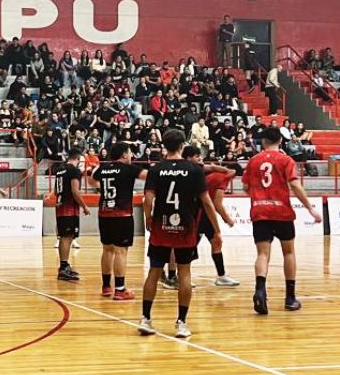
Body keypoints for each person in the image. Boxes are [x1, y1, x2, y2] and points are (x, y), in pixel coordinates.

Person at [138, 129, 222, 338]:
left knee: (154, 271)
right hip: (185, 227)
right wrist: (217, 230)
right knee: (185, 273)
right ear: (183, 146)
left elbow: (148, 199)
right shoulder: (194, 169)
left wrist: (148, 218)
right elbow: (207, 202)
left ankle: (146, 319)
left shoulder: (156, 169)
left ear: (164, 146)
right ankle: (181, 323)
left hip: (161, 226)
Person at [243, 127, 322, 315]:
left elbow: (246, 186)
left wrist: (258, 197)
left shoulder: (253, 161)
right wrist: (310, 208)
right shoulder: (286, 160)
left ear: (263, 142)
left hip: (260, 210)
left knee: (262, 254)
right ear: (280, 141)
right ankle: (290, 298)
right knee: (288, 252)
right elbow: (294, 184)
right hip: (282, 211)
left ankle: (260, 291)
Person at [89, 143, 145, 301]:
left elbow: (91, 179)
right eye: (130, 153)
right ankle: (120, 289)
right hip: (122, 214)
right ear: (124, 154)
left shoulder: (102, 168)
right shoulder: (129, 168)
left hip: (104, 213)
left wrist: (102, 187)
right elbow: (148, 176)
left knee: (107, 249)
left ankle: (106, 286)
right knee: (121, 251)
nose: (131, 156)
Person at [184, 147, 240, 286]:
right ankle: (179, 276)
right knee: (190, 245)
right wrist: (227, 219)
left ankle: (221, 276)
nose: (200, 158)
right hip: (199, 213)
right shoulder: (223, 178)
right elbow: (217, 203)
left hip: (203, 213)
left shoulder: (207, 171)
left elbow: (212, 166)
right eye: (197, 156)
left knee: (216, 242)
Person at [48, 149, 90, 282]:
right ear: (77, 158)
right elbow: (75, 191)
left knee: (66, 237)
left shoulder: (60, 170)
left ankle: (64, 266)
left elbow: (56, 190)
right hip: (69, 208)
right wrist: (84, 206)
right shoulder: (74, 171)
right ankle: (63, 268)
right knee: (67, 237)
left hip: (60, 206)